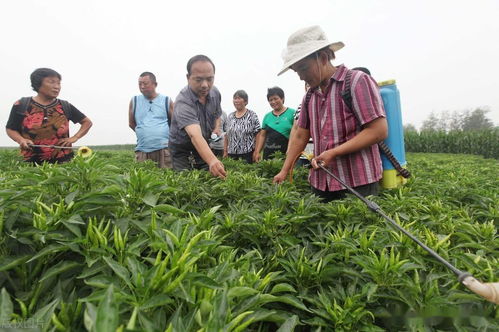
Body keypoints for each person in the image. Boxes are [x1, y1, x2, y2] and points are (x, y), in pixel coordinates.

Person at [273, 26, 388, 202]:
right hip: (321, 183)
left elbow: (378, 130)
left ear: (324, 58)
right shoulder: (310, 96)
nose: (301, 77)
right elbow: (299, 136)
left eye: (304, 68)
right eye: (297, 71)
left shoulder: (356, 81)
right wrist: (285, 170)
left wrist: (334, 152)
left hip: (358, 183)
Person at [5, 68, 92, 164]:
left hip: (63, 162)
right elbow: (11, 129)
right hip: (30, 163)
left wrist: (75, 137)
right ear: (38, 84)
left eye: (58, 83)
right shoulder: (21, 104)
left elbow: (87, 122)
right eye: (51, 82)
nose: (57, 87)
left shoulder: (64, 106)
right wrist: (21, 140)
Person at [169, 54, 226, 178]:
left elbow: (217, 114)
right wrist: (212, 160)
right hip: (182, 150)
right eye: (199, 80)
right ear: (188, 78)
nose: (205, 85)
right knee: (185, 182)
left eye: (210, 79)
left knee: (211, 178)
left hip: (203, 144)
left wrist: (217, 127)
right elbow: (194, 135)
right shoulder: (183, 101)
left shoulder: (215, 93)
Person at [128, 72, 173, 168]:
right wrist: (144, 132)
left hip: (164, 149)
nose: (142, 86)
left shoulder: (166, 100)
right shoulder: (134, 101)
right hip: (142, 150)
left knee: (165, 178)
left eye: (145, 83)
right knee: (143, 179)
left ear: (155, 84)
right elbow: (131, 123)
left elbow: (174, 123)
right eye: (140, 84)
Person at [253, 87, 295, 161]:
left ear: (282, 98)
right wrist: (258, 152)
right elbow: (262, 135)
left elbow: (296, 133)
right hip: (268, 155)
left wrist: (290, 150)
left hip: (285, 154)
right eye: (270, 100)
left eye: (276, 98)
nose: (273, 102)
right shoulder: (267, 116)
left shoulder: (292, 113)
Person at [224, 90, 261, 163]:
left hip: (247, 154)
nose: (236, 100)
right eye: (235, 98)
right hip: (231, 154)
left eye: (239, 98)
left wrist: (257, 151)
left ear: (245, 101)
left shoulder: (252, 115)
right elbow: (226, 135)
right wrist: (225, 151)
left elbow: (258, 134)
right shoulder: (230, 116)